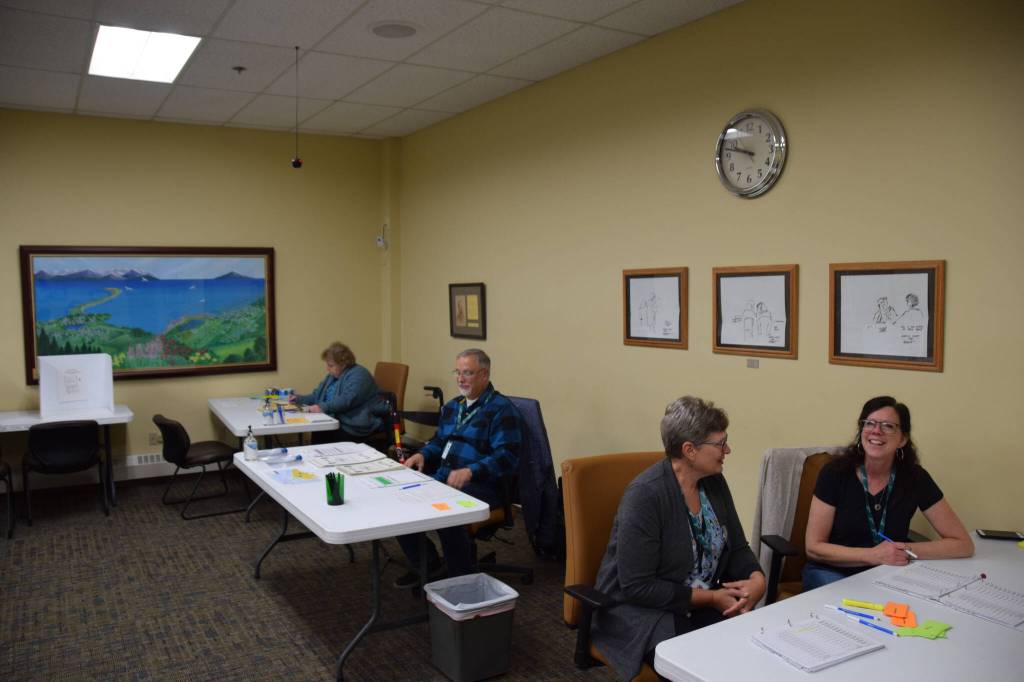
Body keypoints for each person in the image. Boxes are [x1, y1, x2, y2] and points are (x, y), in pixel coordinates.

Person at [592, 396, 764, 681]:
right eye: (720, 444)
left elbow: (737, 547)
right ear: (690, 450)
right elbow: (637, 587)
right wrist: (710, 597)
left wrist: (757, 578)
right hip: (642, 613)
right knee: (708, 667)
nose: (727, 450)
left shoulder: (714, 482)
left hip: (700, 603)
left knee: (752, 653)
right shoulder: (645, 495)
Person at [803, 396, 973, 590]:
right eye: (870, 423)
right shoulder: (835, 473)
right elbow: (814, 547)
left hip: (887, 573)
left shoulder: (915, 477)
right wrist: (874, 555)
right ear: (861, 431)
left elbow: (963, 544)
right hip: (832, 571)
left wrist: (904, 550)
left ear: (903, 439)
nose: (876, 431)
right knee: (852, 608)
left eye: (888, 426)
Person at [394, 348, 522, 588]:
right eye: (458, 372)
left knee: (447, 514)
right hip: (446, 477)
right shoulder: (454, 406)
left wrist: (471, 470)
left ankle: (460, 579)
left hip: (483, 484)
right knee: (401, 500)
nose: (460, 379)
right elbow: (439, 441)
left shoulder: (501, 410)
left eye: (468, 373)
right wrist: (423, 454)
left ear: (484, 375)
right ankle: (428, 565)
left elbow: (506, 458)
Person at [290, 342, 384, 444]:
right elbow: (317, 395)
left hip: (354, 425)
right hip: (335, 419)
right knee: (319, 431)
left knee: (321, 433)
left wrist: (322, 407)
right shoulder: (333, 376)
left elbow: (346, 400)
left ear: (343, 364)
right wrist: (298, 399)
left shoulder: (359, 375)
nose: (327, 369)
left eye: (330, 365)